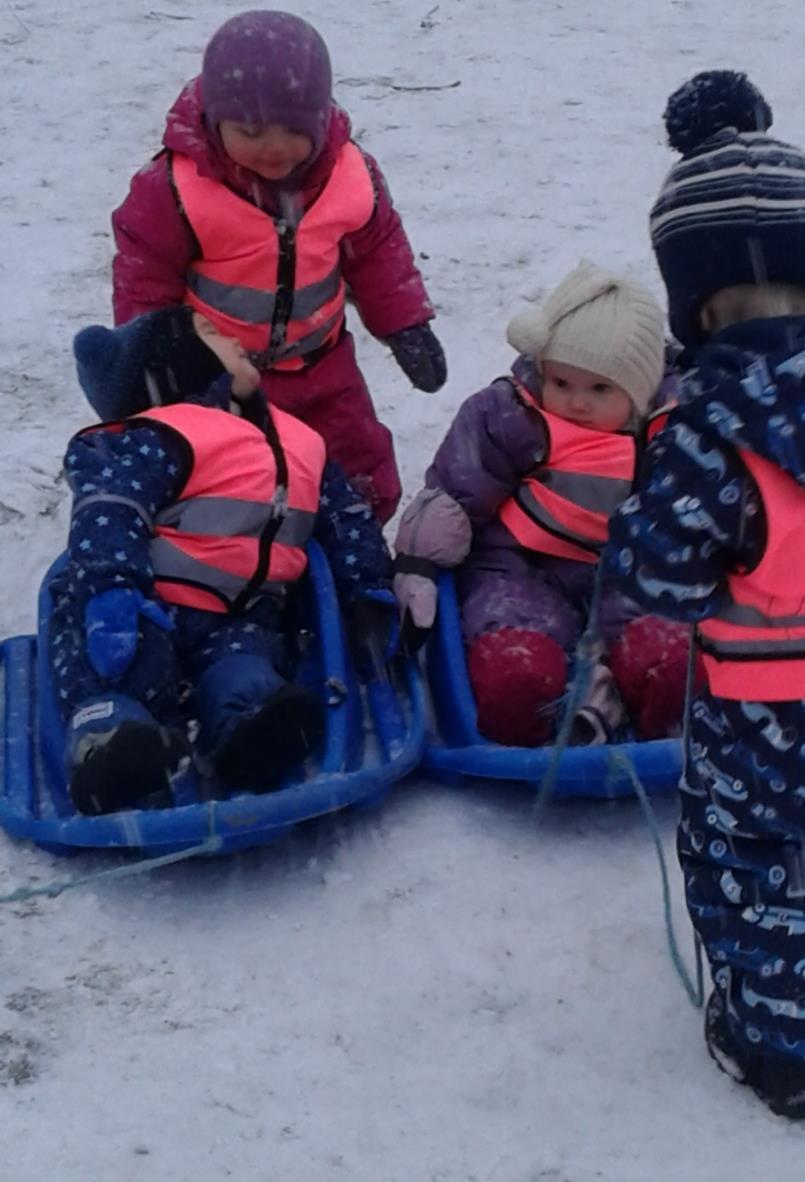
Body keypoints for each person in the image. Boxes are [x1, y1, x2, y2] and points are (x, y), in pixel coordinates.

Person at [604, 69, 805, 1119]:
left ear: (700, 306)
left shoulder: (706, 425)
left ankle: (779, 1040)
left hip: (759, 713)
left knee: (754, 857)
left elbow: (663, 577)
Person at [51, 307, 394, 816]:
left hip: (242, 616)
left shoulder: (300, 443)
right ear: (174, 366)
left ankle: (249, 733)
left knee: (246, 670)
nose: (233, 335)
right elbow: (109, 505)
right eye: (210, 333)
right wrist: (112, 587)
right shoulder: (162, 433)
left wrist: (366, 588)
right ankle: (112, 742)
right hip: (144, 605)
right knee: (121, 665)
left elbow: (344, 518)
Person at [109, 8, 446, 523]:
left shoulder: (350, 177)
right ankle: (231, 553)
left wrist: (405, 324)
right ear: (215, 120)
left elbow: (378, 250)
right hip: (220, 374)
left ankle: (354, 550)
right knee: (227, 473)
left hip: (323, 363)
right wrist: (149, 352)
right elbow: (144, 273)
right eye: (249, 129)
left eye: (293, 129)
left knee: (356, 462)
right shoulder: (175, 189)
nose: (273, 147)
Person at [394, 260, 693, 746]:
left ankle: (659, 710)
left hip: (633, 570)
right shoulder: (513, 416)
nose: (577, 402)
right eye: (561, 383)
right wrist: (420, 557)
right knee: (514, 661)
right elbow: (461, 487)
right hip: (522, 567)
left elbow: (696, 505)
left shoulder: (670, 429)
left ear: (639, 391)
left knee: (668, 649)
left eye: (600, 389)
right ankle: (525, 709)